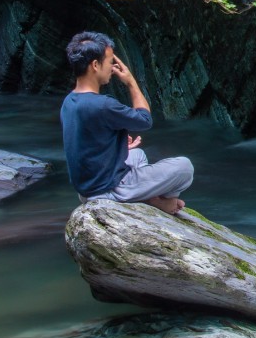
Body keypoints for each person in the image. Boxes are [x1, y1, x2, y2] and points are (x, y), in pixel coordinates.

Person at [60, 31, 194, 214]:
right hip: (108, 189)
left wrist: (115, 150)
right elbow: (145, 120)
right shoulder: (103, 105)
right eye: (109, 62)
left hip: (86, 188)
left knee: (137, 154)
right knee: (184, 167)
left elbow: (84, 143)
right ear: (95, 65)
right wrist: (130, 82)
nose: (113, 67)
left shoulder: (69, 101)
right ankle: (160, 201)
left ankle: (148, 195)